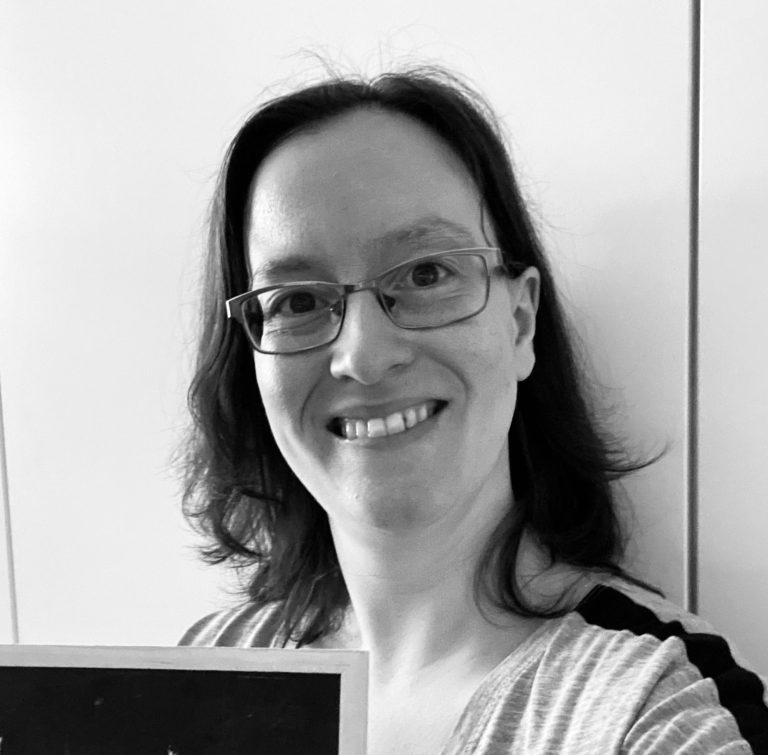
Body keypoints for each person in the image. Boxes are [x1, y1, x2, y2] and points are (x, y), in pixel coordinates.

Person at [179, 66, 768, 753]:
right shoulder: (205, 668)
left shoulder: (650, 703)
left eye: (426, 273)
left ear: (520, 323)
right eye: (298, 301)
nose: (364, 355)